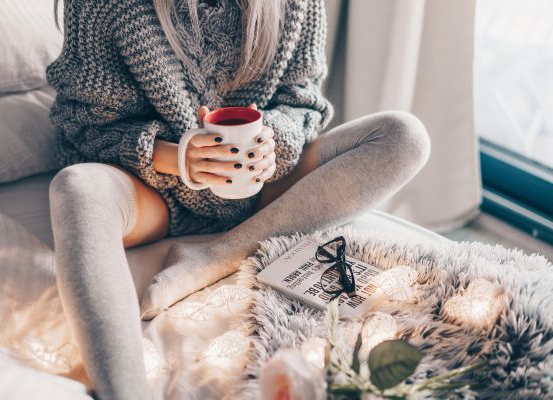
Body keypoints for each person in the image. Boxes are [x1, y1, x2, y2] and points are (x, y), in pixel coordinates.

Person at [46, 0, 431, 398]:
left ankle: (218, 255)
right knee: (77, 188)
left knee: (404, 136)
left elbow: (302, 102)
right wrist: (176, 157)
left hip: (261, 185)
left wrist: (274, 142)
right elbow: (84, 124)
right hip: (153, 191)